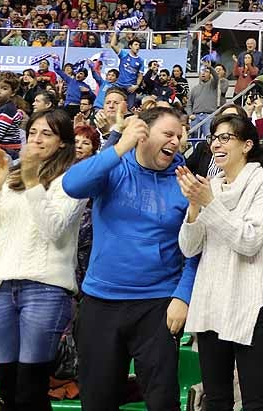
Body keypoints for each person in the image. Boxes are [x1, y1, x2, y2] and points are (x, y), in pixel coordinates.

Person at [62, 106, 198, 411]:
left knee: (162, 400)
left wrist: (183, 295)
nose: (176, 141)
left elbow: (196, 248)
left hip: (157, 304)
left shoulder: (185, 181)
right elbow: (72, 185)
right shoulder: (114, 168)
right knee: (97, 399)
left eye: (179, 135)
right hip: (101, 301)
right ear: (143, 134)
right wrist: (119, 145)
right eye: (168, 133)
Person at [177, 114, 263, 411]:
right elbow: (189, 247)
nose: (216, 144)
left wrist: (209, 203)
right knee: (216, 399)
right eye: (214, 138)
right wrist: (194, 206)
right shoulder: (210, 185)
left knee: (255, 402)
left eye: (225, 138)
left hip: (252, 304)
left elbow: (249, 240)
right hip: (212, 302)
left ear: (247, 145)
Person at [0, 110, 84, 411]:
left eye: (46, 133)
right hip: (1, 284)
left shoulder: (72, 179)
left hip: (45, 288)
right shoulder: (13, 175)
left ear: (62, 141)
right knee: (7, 387)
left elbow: (53, 230)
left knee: (30, 390)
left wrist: (32, 181)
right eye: (32, 132)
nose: (36, 139)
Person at [108, 34, 145, 106]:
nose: (138, 47)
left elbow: (140, 75)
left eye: (139, 45)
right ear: (130, 46)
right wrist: (116, 33)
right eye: (136, 44)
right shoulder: (124, 54)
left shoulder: (141, 60)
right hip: (119, 86)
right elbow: (112, 45)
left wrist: (136, 85)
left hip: (131, 88)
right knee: (115, 105)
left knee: (130, 108)